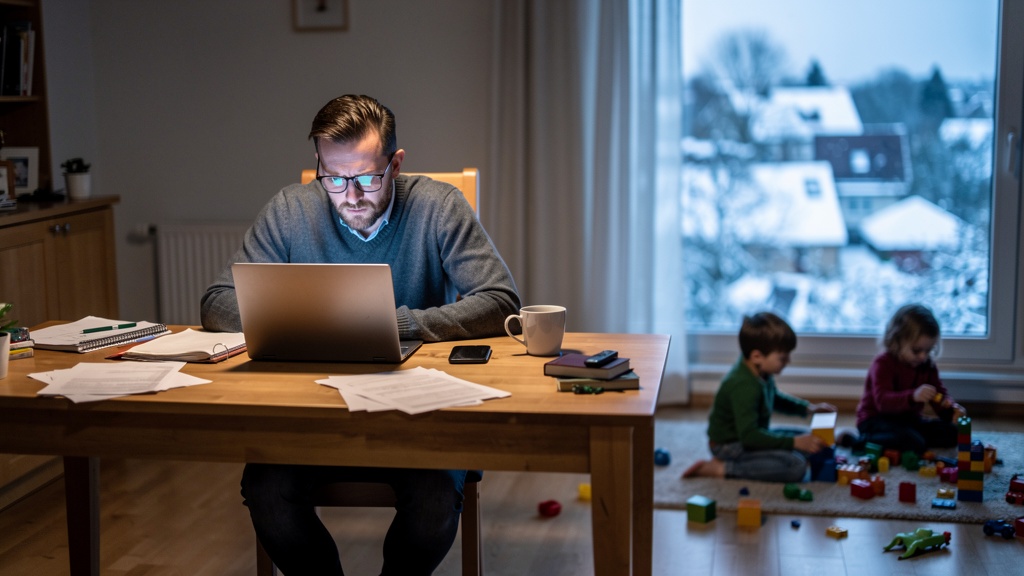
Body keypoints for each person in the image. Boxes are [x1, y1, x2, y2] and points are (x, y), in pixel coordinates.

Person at [201, 94, 521, 575]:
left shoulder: (438, 206)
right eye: (334, 178)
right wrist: (310, 323)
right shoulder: (290, 210)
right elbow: (216, 301)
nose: (350, 196)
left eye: (368, 177)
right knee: (266, 489)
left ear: (396, 163)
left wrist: (401, 324)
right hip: (311, 415)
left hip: (416, 416)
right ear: (318, 165)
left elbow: (500, 301)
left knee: (435, 497)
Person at [682, 312, 836, 483]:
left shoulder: (759, 370)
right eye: (783, 358)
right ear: (757, 356)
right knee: (795, 466)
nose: (788, 362)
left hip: (750, 435)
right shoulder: (743, 385)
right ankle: (721, 468)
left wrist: (808, 408)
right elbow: (749, 436)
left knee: (810, 440)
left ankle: (781, 453)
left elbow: (774, 398)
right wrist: (794, 443)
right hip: (730, 445)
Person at [840, 304, 966, 455]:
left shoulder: (927, 365)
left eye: (928, 350)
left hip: (908, 421)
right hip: (876, 421)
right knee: (913, 443)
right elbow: (883, 402)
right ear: (897, 341)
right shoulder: (883, 363)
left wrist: (951, 410)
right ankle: (856, 441)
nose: (923, 356)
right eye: (917, 350)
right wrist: (913, 396)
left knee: (951, 433)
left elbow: (938, 395)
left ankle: (908, 439)